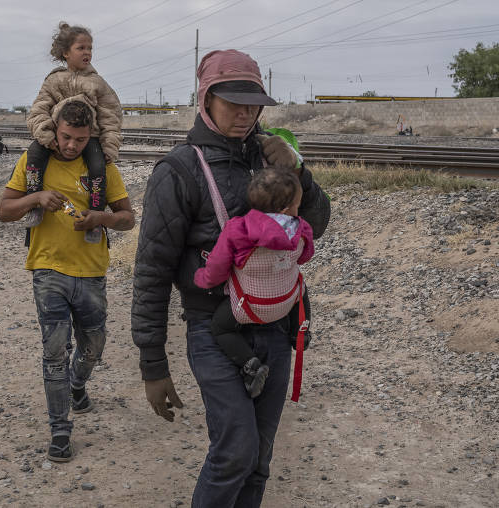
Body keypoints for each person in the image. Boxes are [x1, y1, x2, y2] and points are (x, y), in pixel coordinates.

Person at [131, 49, 330, 507]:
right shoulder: (179, 169)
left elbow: (314, 225)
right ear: (205, 99)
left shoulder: (273, 157)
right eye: (232, 102)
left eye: (253, 103)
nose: (245, 114)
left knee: (258, 457)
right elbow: (152, 272)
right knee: (235, 452)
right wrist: (153, 364)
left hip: (277, 328)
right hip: (213, 330)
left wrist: (298, 171)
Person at [0, 100, 134, 463]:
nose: (71, 145)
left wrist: (99, 218)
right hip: (47, 271)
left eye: (79, 138)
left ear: (91, 136)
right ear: (54, 128)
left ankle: (77, 384)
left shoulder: (102, 169)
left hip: (91, 271)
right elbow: (3, 211)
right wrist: (36, 197)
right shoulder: (33, 164)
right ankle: (60, 431)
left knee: (94, 346)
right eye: (65, 137)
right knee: (54, 353)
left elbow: (127, 219)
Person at [193, 167, 315, 399]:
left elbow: (217, 269)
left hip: (248, 307)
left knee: (220, 327)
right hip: (287, 302)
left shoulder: (238, 229)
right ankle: (300, 331)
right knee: (301, 285)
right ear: (288, 208)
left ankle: (251, 364)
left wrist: (201, 279)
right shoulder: (301, 228)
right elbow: (305, 257)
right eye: (298, 205)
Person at [24, 21, 123, 244]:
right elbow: (38, 110)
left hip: (90, 138)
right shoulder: (54, 80)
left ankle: (95, 219)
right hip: (56, 137)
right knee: (34, 156)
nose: (87, 52)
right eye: (81, 48)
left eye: (90, 48)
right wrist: (47, 136)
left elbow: (110, 115)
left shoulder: (97, 83)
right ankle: (33, 204)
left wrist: (109, 146)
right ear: (65, 53)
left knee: (98, 168)